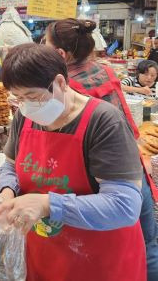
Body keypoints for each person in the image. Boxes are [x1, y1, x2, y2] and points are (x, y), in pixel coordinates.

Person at [0, 43, 145, 280]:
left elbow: (125, 205)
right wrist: (6, 192)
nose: (26, 105)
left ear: (60, 82)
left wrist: (48, 205)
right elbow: (10, 165)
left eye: (33, 96)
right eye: (17, 98)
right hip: (44, 256)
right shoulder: (24, 116)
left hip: (99, 262)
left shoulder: (103, 121)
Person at [45, 18, 158, 278]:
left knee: (109, 250)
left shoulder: (67, 89)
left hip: (104, 180)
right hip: (133, 165)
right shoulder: (104, 70)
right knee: (149, 241)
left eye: (45, 45)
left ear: (60, 54)